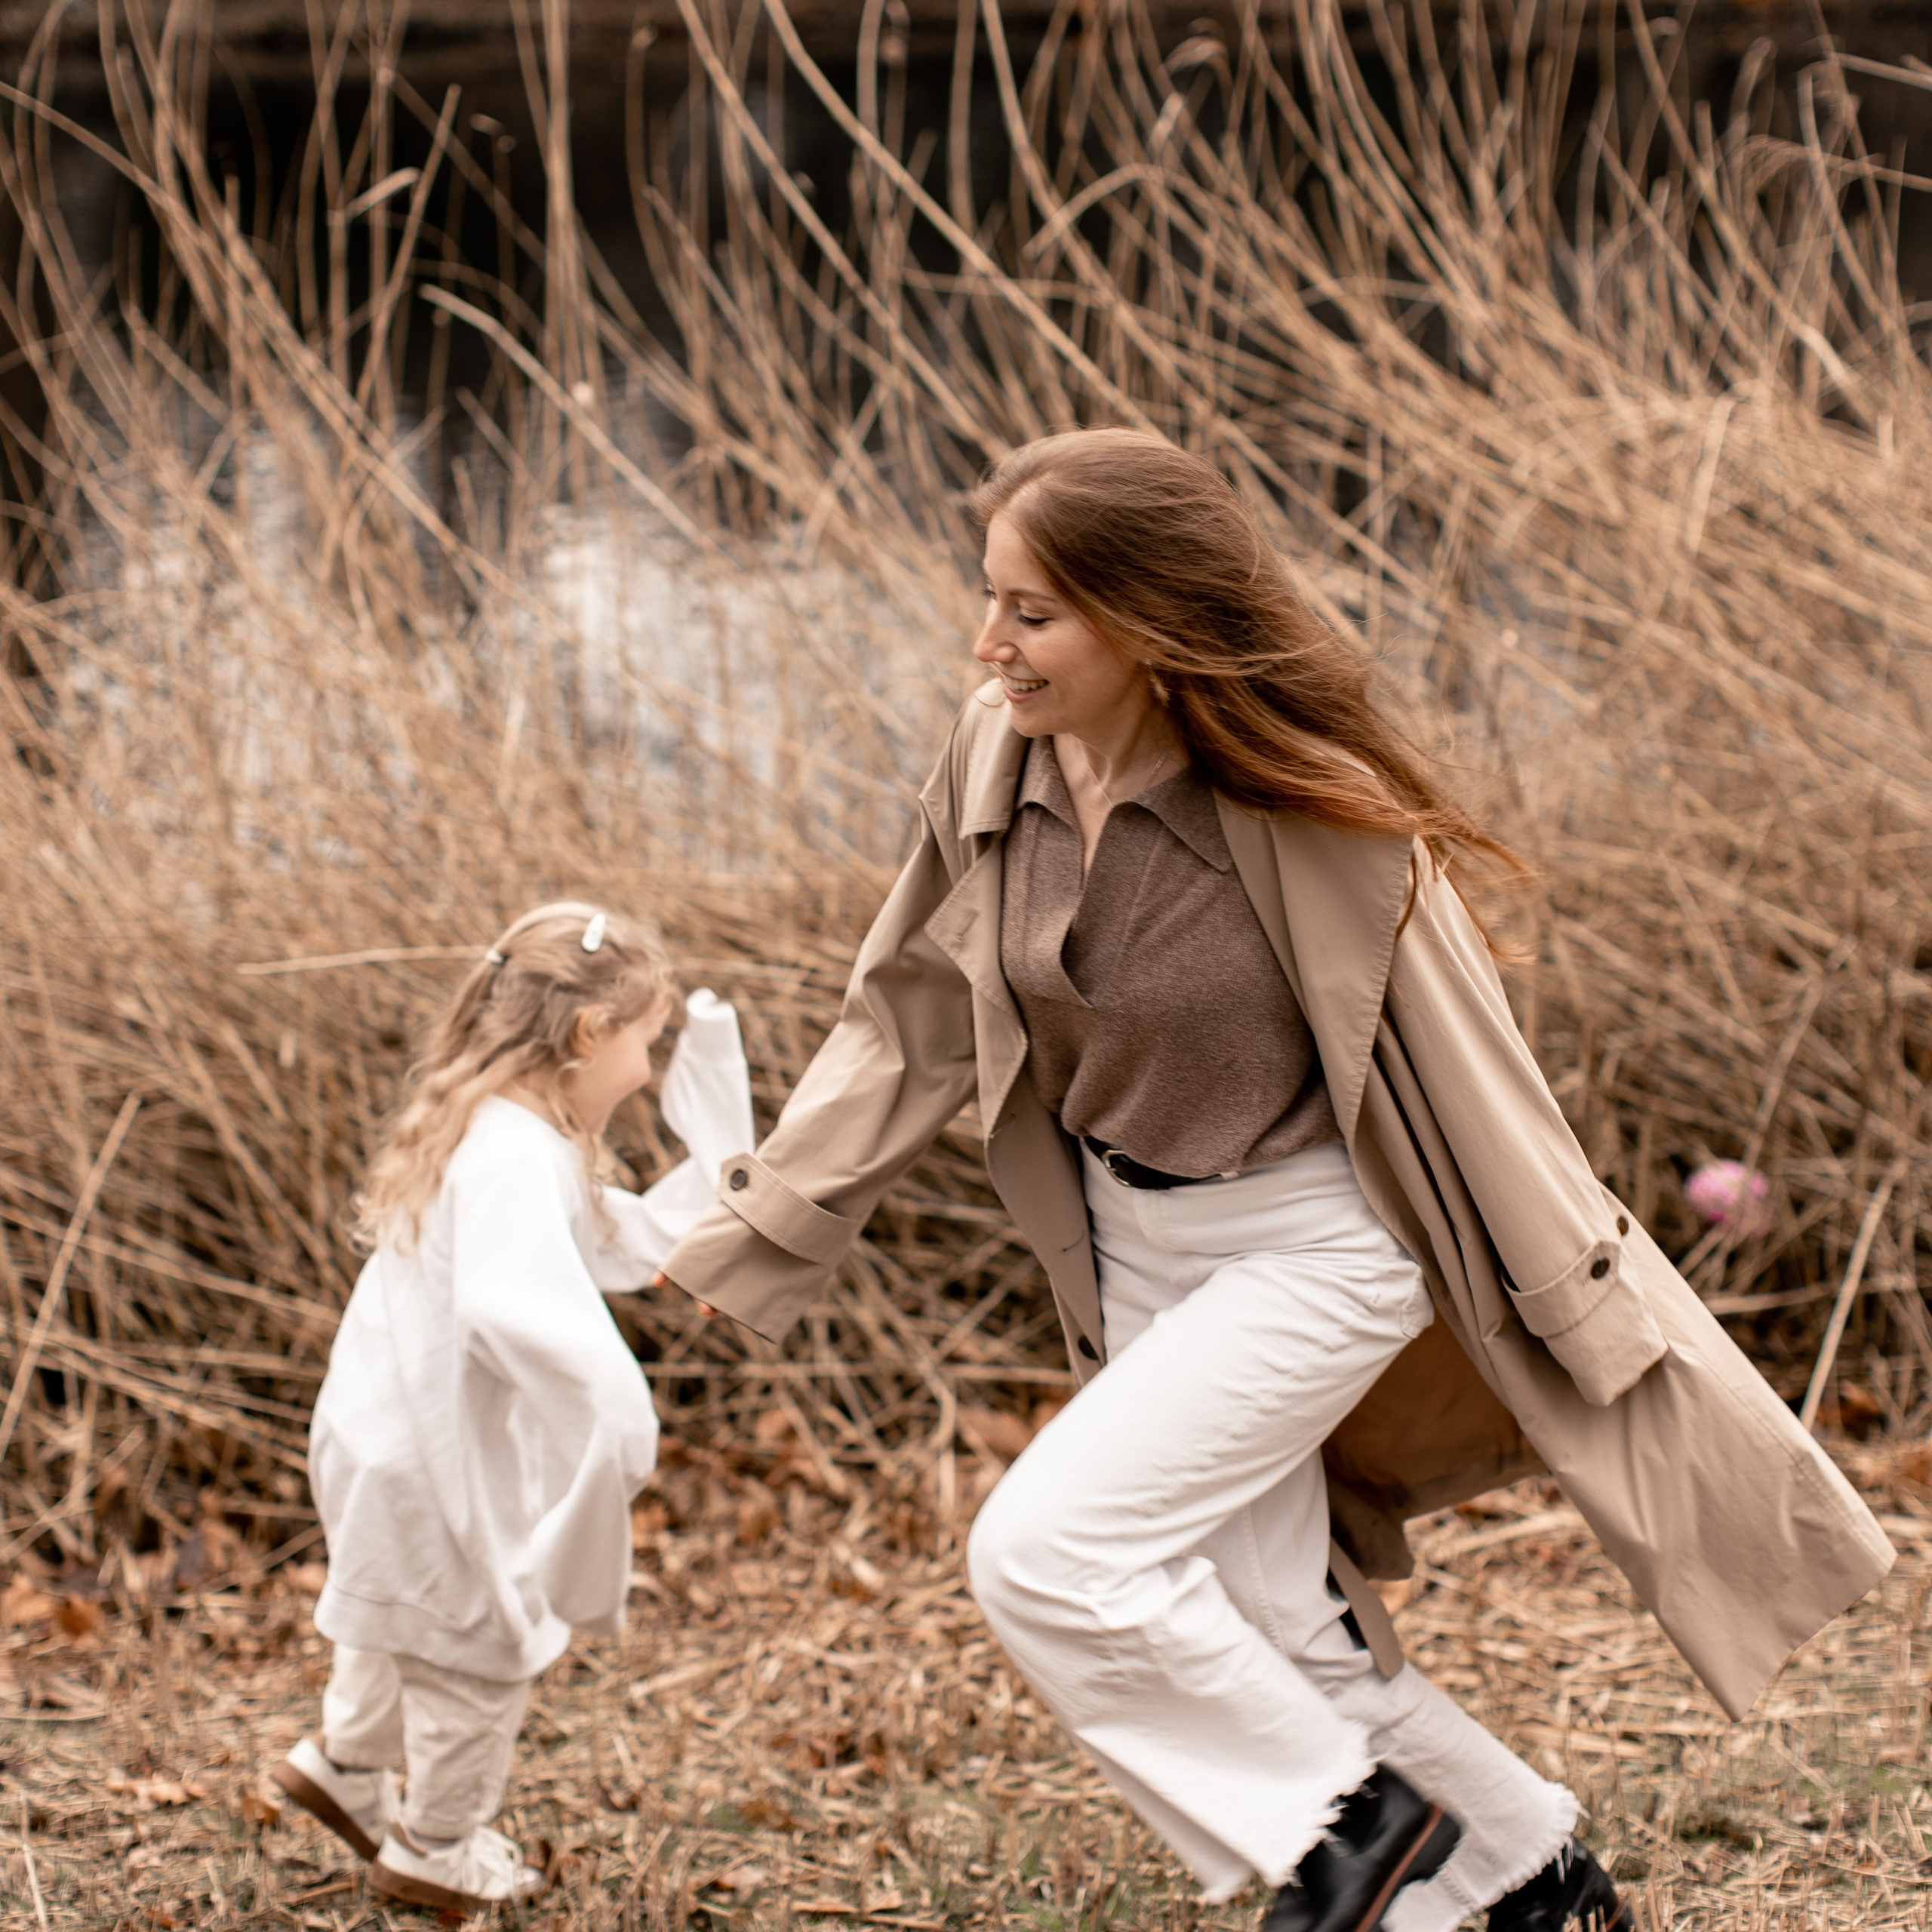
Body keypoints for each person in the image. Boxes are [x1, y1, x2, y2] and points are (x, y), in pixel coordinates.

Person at [662, 431, 1894, 1931]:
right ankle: (1529, 1874)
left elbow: (1473, 1074)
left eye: (1032, 611)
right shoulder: (998, 752)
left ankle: (1346, 1840)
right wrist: (767, 1210)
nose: (987, 643)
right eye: (988, 598)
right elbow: (911, 1012)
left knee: (1047, 1552)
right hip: (1134, 1247)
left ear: (1145, 617)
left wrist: (1577, 1294)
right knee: (1280, 1633)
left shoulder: (1301, 810)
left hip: (1317, 1244)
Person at [271, 901, 753, 1915]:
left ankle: (345, 1765)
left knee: (401, 1616)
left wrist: (720, 1145)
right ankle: (435, 1848)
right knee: (477, 1651)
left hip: (379, 1435)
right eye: (648, 1041)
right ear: (588, 1034)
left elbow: (613, 1239)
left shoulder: (498, 1128)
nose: (649, 1066)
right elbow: (509, 1301)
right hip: (429, 1457)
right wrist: (613, 1407)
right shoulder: (513, 1156)